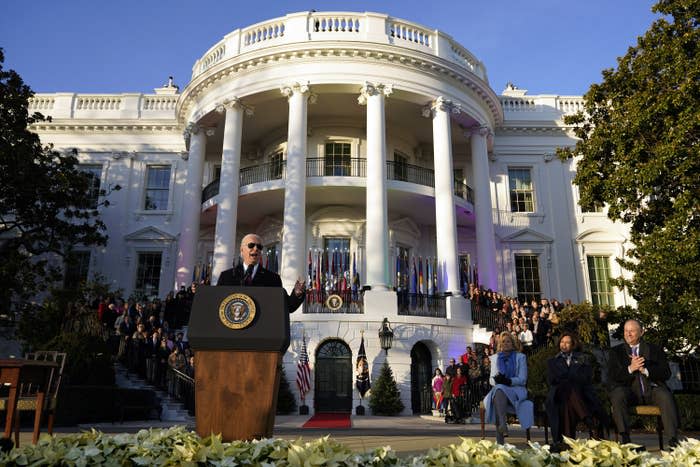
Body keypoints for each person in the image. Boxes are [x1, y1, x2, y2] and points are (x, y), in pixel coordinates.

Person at [608, 319, 680, 448]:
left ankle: (673, 440)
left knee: (665, 395)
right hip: (629, 392)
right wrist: (631, 368)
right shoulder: (615, 352)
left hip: (651, 391)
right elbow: (613, 377)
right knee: (617, 395)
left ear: (641, 332)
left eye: (632, 331)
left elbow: (666, 373)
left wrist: (645, 370)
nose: (628, 334)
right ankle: (626, 440)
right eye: (626, 331)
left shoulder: (655, 349)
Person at [545, 332, 606, 452]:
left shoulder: (583, 358)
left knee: (568, 400)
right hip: (558, 394)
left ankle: (567, 441)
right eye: (562, 342)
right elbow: (551, 380)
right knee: (566, 387)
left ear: (573, 345)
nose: (564, 345)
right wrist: (570, 376)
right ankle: (589, 420)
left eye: (567, 342)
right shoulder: (552, 361)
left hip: (580, 394)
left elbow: (586, 378)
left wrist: (567, 376)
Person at [217, 233, 306, 313]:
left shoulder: (273, 278)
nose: (255, 249)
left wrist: (297, 294)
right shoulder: (226, 276)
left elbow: (287, 307)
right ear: (242, 250)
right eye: (251, 245)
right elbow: (217, 304)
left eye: (259, 247)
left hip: (261, 328)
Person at [483, 331, 533, 444]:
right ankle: (502, 423)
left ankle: (500, 437)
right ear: (500, 344)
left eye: (508, 341)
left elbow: (523, 379)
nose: (506, 344)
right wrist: (497, 380)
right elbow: (491, 379)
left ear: (513, 343)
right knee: (499, 389)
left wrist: (509, 381)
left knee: (498, 392)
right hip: (499, 389)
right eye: (503, 342)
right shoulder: (495, 358)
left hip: (515, 389)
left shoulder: (520, 357)